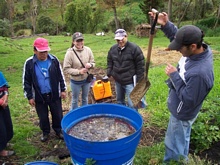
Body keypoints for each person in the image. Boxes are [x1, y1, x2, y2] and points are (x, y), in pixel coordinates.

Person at [149, 11, 214, 163]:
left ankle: (174, 162)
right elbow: (178, 37)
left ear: (192, 47)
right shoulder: (198, 49)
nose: (177, 50)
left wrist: (174, 76)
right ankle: (182, 158)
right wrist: (166, 24)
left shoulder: (200, 73)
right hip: (182, 110)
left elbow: (189, 100)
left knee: (173, 145)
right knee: (181, 139)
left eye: (180, 48)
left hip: (182, 112)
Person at [22, 37, 67, 142]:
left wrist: (63, 89)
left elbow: (61, 76)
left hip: (54, 93)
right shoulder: (29, 63)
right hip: (39, 95)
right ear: (35, 51)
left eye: (45, 51)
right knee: (42, 116)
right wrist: (29, 96)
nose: (44, 54)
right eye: (41, 52)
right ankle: (45, 132)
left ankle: (58, 130)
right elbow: (26, 81)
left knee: (57, 113)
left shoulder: (54, 60)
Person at [107, 29, 145, 109]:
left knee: (132, 103)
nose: (120, 41)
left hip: (130, 81)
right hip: (118, 80)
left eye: (122, 39)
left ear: (126, 36)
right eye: (118, 40)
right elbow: (110, 61)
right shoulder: (113, 49)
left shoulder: (134, 48)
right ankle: (122, 118)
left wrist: (139, 81)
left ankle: (133, 119)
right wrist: (109, 72)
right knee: (120, 101)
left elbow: (140, 66)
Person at [63, 32, 95, 110]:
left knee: (85, 98)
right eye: (77, 41)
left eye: (81, 40)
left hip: (86, 80)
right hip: (75, 81)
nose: (80, 43)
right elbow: (66, 68)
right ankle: (74, 116)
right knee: (75, 100)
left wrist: (90, 65)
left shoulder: (88, 50)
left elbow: (93, 63)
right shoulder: (69, 53)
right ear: (73, 42)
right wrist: (79, 72)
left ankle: (84, 114)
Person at [0, 71, 14, 156]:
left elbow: (4, 86)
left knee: (7, 124)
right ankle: (0, 150)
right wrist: (1, 102)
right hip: (1, 103)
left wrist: (5, 95)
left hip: (3, 104)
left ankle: (4, 142)